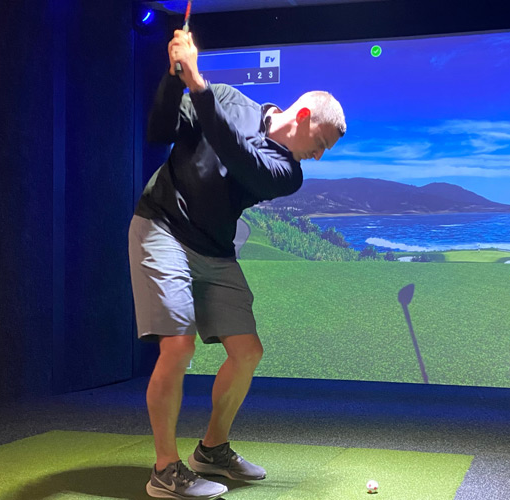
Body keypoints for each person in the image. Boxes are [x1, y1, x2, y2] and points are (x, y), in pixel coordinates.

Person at [129, 29, 346, 499]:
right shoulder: (227, 99)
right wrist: (175, 77)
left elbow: (238, 156)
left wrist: (197, 82)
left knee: (247, 352)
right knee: (179, 348)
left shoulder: (288, 173)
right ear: (304, 115)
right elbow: (160, 131)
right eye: (322, 142)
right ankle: (166, 468)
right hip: (163, 225)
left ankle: (211, 449)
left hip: (214, 247)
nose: (320, 154)